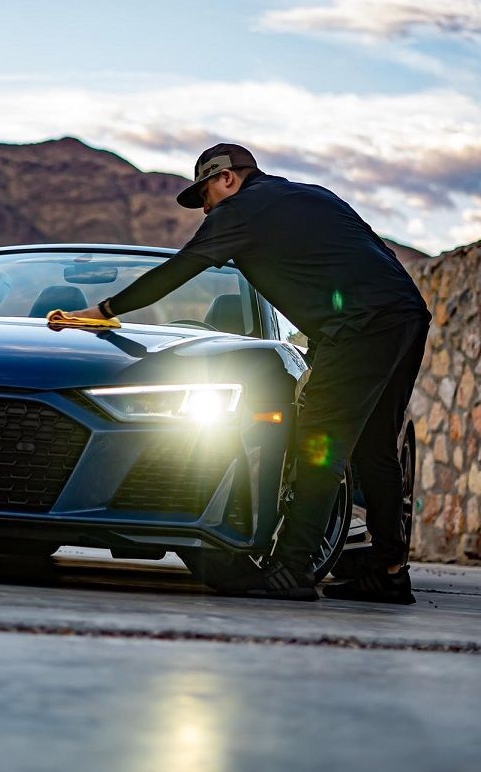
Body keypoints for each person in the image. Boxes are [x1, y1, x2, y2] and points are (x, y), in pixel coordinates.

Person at [69, 143, 431, 603]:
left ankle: (292, 571)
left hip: (360, 327)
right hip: (405, 316)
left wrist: (105, 309)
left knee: (319, 444)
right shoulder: (314, 196)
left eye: (205, 196)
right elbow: (366, 255)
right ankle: (390, 572)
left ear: (227, 178)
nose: (205, 210)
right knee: (376, 448)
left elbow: (182, 268)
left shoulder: (242, 210)